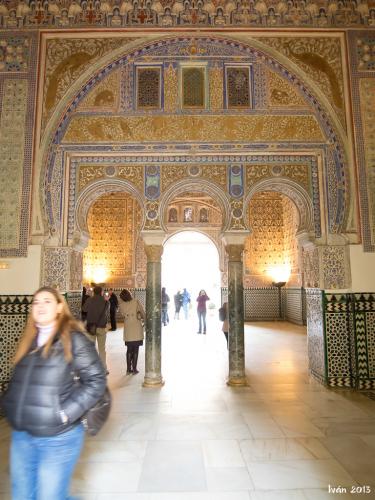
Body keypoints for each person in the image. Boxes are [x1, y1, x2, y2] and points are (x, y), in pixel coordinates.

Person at [0, 286, 106, 500]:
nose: (40, 306)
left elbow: (96, 379)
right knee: (22, 495)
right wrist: (10, 404)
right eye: (36, 302)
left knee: (50, 496)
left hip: (58, 437)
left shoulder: (73, 340)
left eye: (47, 301)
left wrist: (65, 413)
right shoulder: (27, 341)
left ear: (59, 307)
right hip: (22, 435)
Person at [82, 286, 109, 373]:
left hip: (91, 327)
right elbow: (108, 310)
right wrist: (107, 299)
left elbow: (84, 309)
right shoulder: (105, 301)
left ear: (94, 292)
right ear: (101, 292)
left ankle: (91, 369)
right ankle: (103, 369)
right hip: (101, 328)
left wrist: (90, 298)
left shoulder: (90, 300)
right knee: (102, 349)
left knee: (91, 348)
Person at [118, 289, 145, 374]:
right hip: (136, 326)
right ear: (130, 294)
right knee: (136, 349)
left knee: (129, 349)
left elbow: (122, 313)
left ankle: (128, 369)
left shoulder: (121, 305)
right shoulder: (136, 301)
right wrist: (145, 320)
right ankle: (134, 369)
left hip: (128, 327)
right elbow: (142, 312)